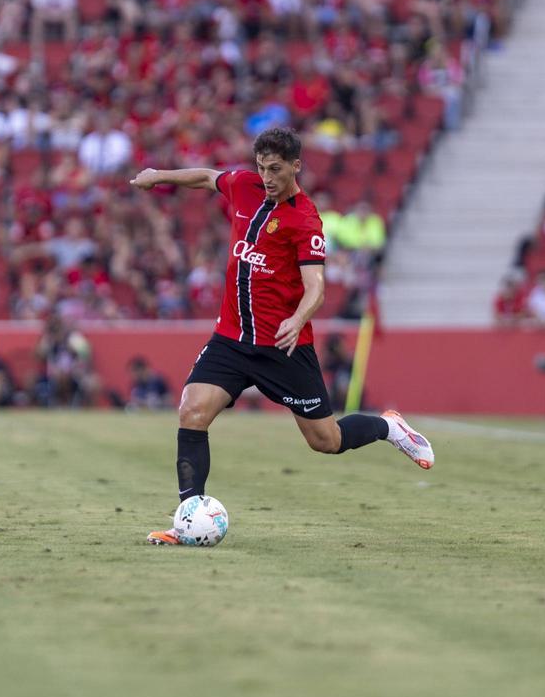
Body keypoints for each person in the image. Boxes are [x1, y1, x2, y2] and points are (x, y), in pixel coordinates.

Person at [129, 126, 434, 546]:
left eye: (275, 169)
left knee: (327, 441)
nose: (267, 177)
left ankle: (388, 427)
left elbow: (316, 287)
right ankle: (188, 520)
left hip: (283, 346)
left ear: (295, 166)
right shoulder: (244, 186)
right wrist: (158, 174)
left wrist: (298, 318)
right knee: (191, 411)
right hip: (232, 339)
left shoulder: (305, 219)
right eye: (261, 167)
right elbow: (205, 176)